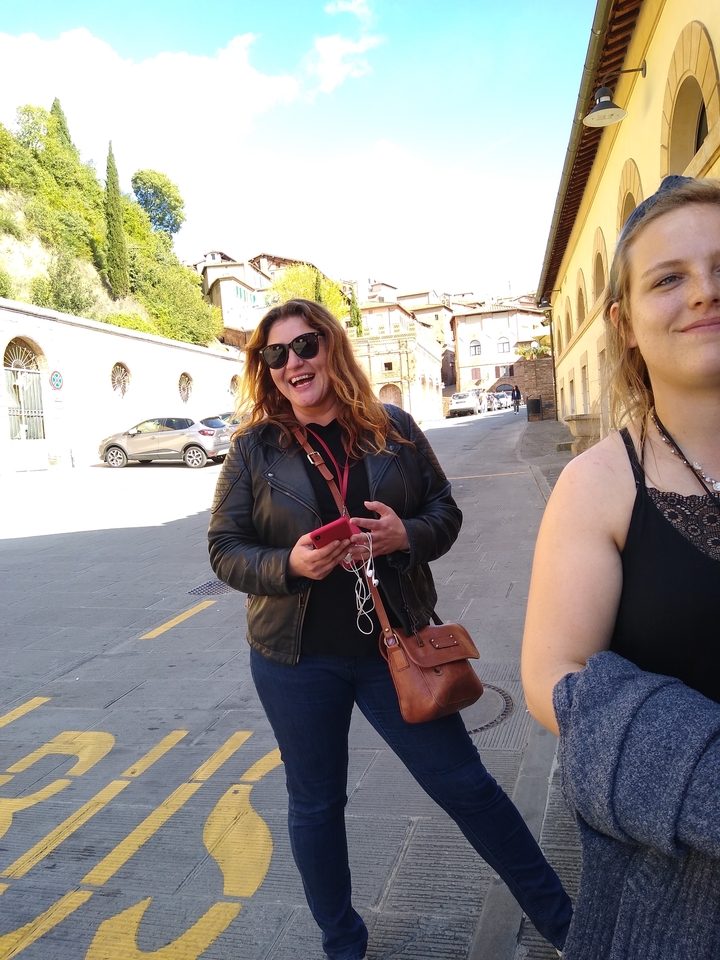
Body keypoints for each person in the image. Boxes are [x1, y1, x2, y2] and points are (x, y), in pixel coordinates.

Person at [208, 298, 572, 960]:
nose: (294, 362)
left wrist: (405, 534)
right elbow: (225, 550)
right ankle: (343, 943)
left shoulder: (393, 429)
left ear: (333, 349)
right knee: (315, 805)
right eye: (276, 354)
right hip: (294, 659)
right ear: (266, 369)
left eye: (307, 345)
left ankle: (563, 924)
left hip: (393, 646)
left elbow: (445, 513)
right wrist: (289, 563)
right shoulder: (253, 450)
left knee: (465, 785)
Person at [521, 176, 720, 960]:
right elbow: (552, 679)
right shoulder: (598, 484)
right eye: (669, 279)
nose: (704, 292)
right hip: (672, 895)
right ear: (625, 323)